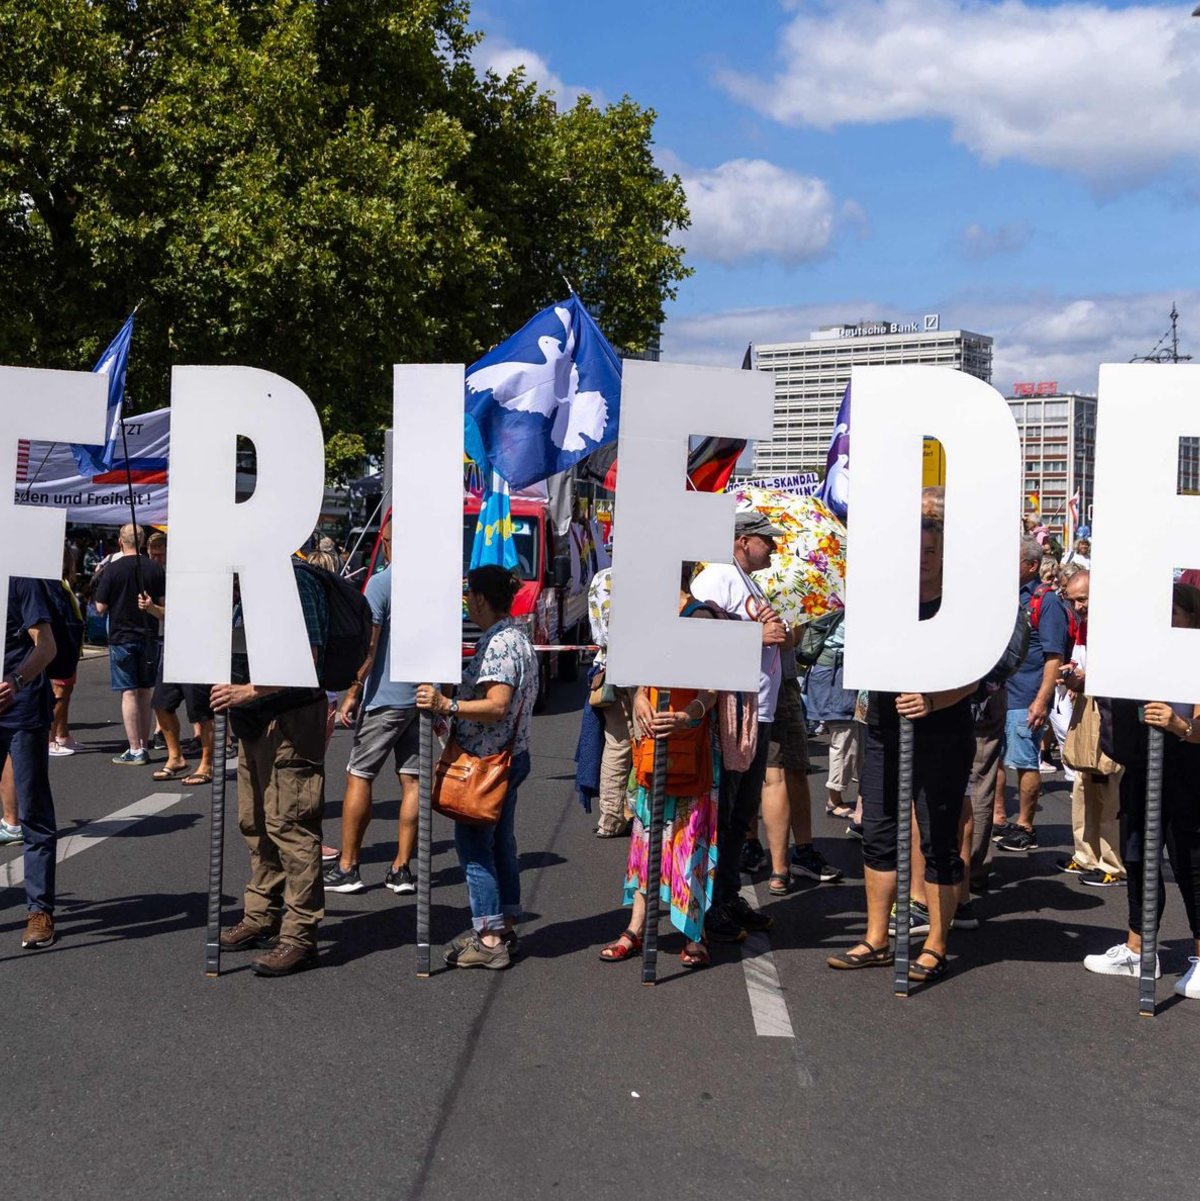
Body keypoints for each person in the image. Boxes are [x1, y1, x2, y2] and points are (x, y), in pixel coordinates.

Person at [827, 518, 977, 983]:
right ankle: (876, 939)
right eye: (917, 551)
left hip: (944, 732)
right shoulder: (885, 604)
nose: (923, 559)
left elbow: (975, 674)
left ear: (943, 557)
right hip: (885, 729)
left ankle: (936, 944)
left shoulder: (959, 608)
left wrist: (934, 700)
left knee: (937, 840)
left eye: (931, 551)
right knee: (877, 832)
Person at [416, 565, 537, 970]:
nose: (467, 602)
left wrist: (445, 705)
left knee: (473, 849)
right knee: (501, 843)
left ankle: (488, 937)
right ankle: (504, 925)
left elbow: (497, 704)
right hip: (508, 757)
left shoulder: (500, 644)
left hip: (486, 762)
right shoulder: (517, 636)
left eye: (469, 595)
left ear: (482, 599)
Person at [1083, 583, 1200, 1000]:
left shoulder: (1195, 657)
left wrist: (1180, 725)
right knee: (1138, 856)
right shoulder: (1144, 655)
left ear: (1192, 618)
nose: (1168, 622)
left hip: (1188, 770)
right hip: (1142, 768)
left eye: (1176, 613)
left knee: (1189, 862)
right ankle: (1138, 950)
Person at [215, 559, 329, 977]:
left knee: (291, 827)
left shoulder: (294, 581)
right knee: (256, 822)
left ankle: (298, 937)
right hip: (255, 720)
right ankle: (261, 915)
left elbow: (310, 660)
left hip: (290, 720)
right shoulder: (253, 583)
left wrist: (248, 690)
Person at [600, 565, 718, 967]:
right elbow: (633, 675)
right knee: (646, 837)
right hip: (651, 747)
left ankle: (694, 932)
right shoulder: (647, 615)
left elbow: (714, 686)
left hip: (690, 743)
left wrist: (689, 714)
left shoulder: (701, 617)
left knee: (688, 839)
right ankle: (636, 927)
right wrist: (636, 697)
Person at [690, 511, 787, 943]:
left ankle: (726, 895)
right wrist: (756, 638)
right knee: (724, 811)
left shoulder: (744, 579)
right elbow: (698, 634)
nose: (774, 547)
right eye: (768, 540)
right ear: (743, 540)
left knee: (740, 813)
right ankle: (708, 904)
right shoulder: (716, 576)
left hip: (757, 709)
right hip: (732, 710)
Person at [322, 521, 422, 895]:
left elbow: (370, 644)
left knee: (358, 775)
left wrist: (353, 689)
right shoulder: (434, 584)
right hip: (422, 696)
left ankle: (348, 867)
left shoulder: (383, 582)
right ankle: (402, 869)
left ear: (389, 544)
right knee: (411, 780)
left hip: (386, 697)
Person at [996, 536, 1070, 852]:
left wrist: (1041, 700)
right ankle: (998, 818)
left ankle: (1025, 826)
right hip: (996, 695)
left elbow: (1055, 657)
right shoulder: (1002, 595)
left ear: (1032, 565)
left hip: (1026, 697)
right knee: (992, 762)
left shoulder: (1047, 601)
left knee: (1026, 762)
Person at [1055, 569, 1126, 886]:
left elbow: (1118, 669)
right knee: (1083, 783)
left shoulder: (1115, 626)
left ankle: (1113, 863)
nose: (1078, 606)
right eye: (1074, 601)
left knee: (1109, 788)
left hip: (1110, 713)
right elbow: (1080, 664)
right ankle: (1085, 856)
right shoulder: (1085, 626)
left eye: (1083, 599)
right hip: (1088, 708)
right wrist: (1072, 674)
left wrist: (1083, 677)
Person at [0, 576, 59, 947]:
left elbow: (47, 646)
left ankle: (39, 911)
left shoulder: (22, 576)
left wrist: (16, 682)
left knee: (33, 812)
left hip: (20, 712)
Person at [93, 522, 165, 765]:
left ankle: (135, 748)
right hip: (149, 636)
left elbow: (100, 608)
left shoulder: (113, 570)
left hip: (122, 636)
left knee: (129, 694)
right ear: (143, 543)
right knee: (145, 692)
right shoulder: (155, 568)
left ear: (120, 542)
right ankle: (144, 744)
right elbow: (165, 606)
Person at [586, 566, 634, 838]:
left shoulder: (602, 576)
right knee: (642, 741)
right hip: (636, 668)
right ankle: (640, 812)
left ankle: (610, 818)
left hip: (606, 666)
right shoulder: (640, 575)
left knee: (616, 743)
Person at [48, 542, 83, 756]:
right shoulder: (53, 584)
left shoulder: (62, 583)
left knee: (67, 691)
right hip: (61, 645)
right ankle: (50, 739)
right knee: (60, 693)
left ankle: (63, 734)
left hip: (70, 645)